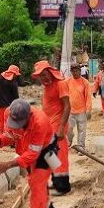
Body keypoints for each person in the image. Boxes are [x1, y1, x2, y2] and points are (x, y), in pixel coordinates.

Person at [32, 60, 71, 194]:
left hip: (58, 128)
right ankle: (57, 183)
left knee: (60, 156)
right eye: (41, 76)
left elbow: (67, 106)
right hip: (50, 128)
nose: (43, 78)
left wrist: (61, 128)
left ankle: (63, 187)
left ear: (50, 72)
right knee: (52, 156)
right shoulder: (47, 87)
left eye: (45, 74)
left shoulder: (60, 84)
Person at [0, 64, 21, 134]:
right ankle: (8, 139)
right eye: (16, 74)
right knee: (8, 124)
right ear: (13, 73)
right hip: (9, 107)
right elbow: (16, 97)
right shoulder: (13, 82)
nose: (16, 76)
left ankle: (2, 138)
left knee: (1, 123)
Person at [67, 63, 92, 148]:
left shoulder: (85, 83)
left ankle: (81, 146)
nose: (74, 73)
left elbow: (88, 97)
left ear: (80, 71)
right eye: (72, 71)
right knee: (69, 128)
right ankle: (69, 141)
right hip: (70, 111)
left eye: (76, 71)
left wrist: (88, 109)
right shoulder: (67, 82)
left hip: (82, 111)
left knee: (81, 130)